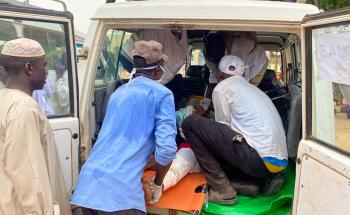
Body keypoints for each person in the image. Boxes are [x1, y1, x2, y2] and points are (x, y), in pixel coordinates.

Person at [71, 40, 177, 215]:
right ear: (158, 70)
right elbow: (166, 151)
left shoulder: (119, 93)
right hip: (119, 194)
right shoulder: (162, 94)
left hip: (88, 186)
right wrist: (157, 184)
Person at [182, 55, 288, 205]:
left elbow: (222, 126)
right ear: (242, 73)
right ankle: (258, 180)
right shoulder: (254, 90)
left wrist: (201, 126)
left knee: (190, 123)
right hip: (277, 163)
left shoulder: (222, 88)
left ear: (220, 75)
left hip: (258, 160)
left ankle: (222, 189)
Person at [0, 38, 71, 215]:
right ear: (29, 68)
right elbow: (30, 175)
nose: (47, 72)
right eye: (44, 65)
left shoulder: (5, 99)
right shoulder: (24, 108)